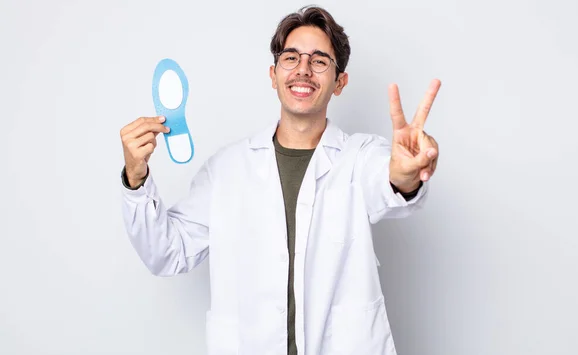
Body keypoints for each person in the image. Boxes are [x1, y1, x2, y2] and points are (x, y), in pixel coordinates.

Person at [119, 5, 440, 355]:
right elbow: (166, 253)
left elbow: (388, 180)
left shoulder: (358, 157)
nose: (303, 70)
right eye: (291, 58)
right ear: (273, 75)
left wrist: (405, 174)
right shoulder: (226, 169)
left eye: (319, 61)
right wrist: (136, 179)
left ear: (339, 82)